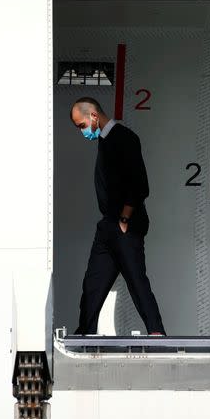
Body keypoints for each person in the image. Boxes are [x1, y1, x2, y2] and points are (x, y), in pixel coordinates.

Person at [69, 97, 166, 336]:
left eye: (82, 126)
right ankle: (85, 333)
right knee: (93, 284)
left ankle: (156, 333)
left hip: (125, 224)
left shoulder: (124, 138)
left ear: (93, 116)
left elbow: (140, 184)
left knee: (136, 282)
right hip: (108, 226)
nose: (83, 132)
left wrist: (124, 218)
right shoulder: (104, 140)